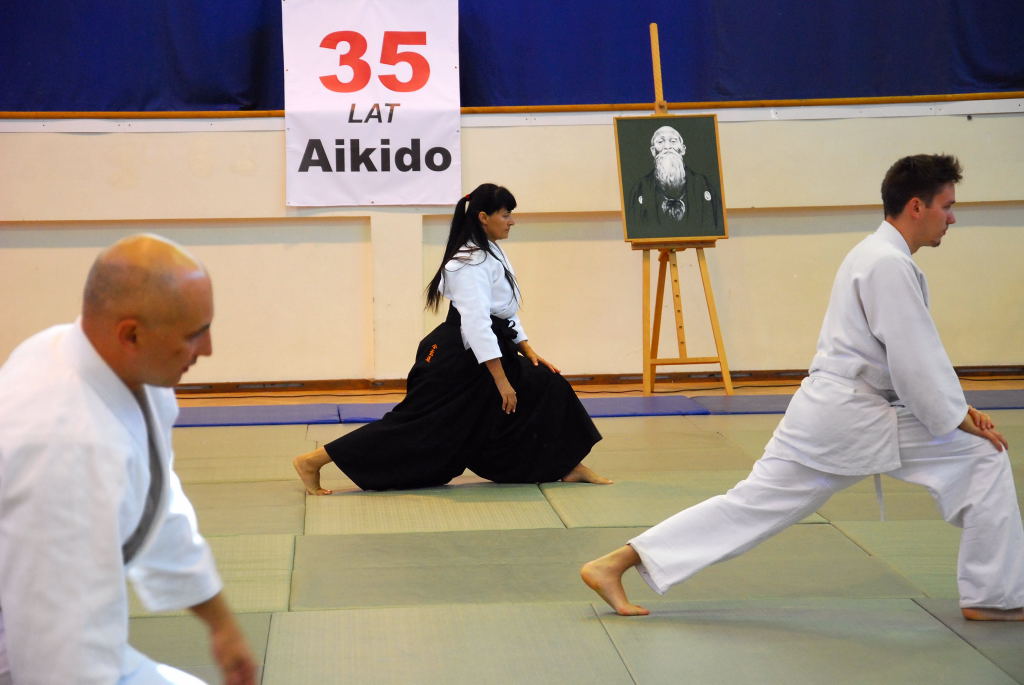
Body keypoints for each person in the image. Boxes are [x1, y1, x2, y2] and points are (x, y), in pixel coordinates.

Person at [582, 154, 1024, 621]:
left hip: (845, 412)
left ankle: (616, 562)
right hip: (848, 415)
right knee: (982, 456)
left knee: (753, 504)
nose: (952, 217)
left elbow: (913, 361)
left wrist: (959, 410)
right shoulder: (886, 264)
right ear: (917, 206)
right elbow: (913, 362)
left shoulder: (876, 256)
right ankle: (992, 597)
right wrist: (955, 415)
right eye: (947, 206)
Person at [0, 235, 257, 683]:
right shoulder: (66, 452)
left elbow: (158, 502)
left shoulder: (94, 358)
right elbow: (62, 664)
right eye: (195, 335)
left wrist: (221, 622)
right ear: (131, 334)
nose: (209, 349)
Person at [293, 183, 610, 494]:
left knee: (545, 385)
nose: (512, 221)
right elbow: (476, 323)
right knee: (418, 425)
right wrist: (501, 380)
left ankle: (566, 465)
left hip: (488, 348)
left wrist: (527, 349)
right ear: (483, 217)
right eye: (505, 214)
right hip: (456, 357)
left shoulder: (491, 252)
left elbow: (504, 309)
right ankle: (314, 460)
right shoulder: (467, 262)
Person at [625, 125, 722, 238]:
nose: (667, 146)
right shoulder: (640, 188)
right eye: (660, 141)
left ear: (683, 149)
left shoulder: (703, 185)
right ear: (653, 151)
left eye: (673, 141)